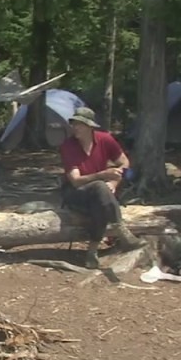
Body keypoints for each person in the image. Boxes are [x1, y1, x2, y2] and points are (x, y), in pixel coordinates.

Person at [59, 106, 145, 268]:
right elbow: (76, 181)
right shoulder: (68, 146)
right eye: (74, 123)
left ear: (90, 126)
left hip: (99, 194)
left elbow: (124, 162)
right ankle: (121, 230)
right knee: (99, 187)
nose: (75, 127)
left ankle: (92, 252)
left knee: (100, 201)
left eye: (80, 124)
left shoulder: (105, 139)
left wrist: (113, 183)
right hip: (75, 193)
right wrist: (103, 175)